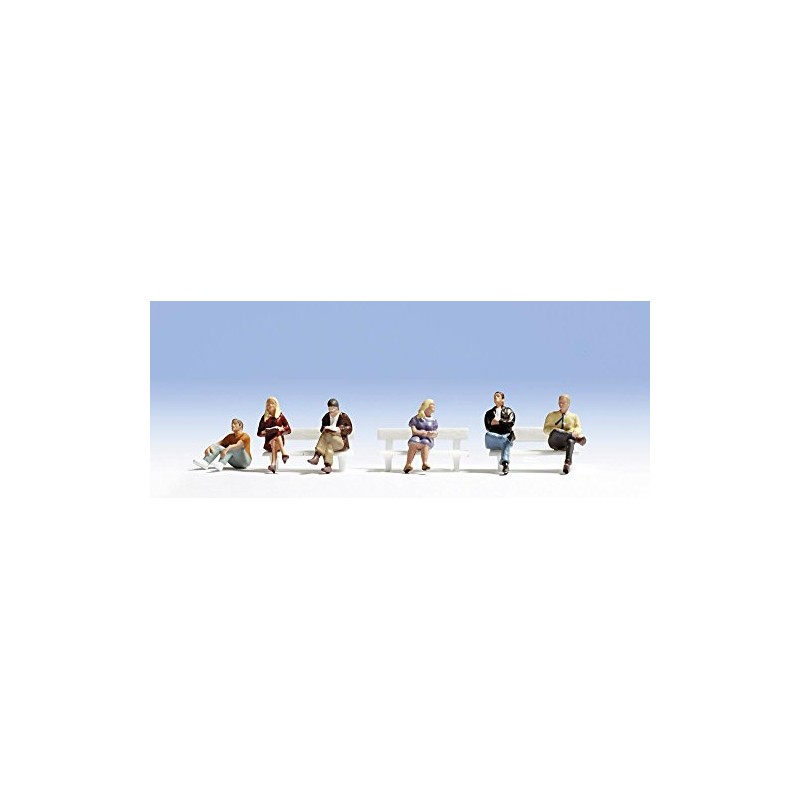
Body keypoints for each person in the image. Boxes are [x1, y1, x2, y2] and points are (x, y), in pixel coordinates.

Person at [543, 394, 587, 474]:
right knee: (555, 431)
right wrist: (554, 430)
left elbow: (579, 427)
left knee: (571, 441)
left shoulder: (574, 417)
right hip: (554, 442)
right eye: (559, 402)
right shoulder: (551, 415)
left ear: (568, 404)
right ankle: (576, 439)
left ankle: (567, 464)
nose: (561, 404)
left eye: (563, 402)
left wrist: (576, 431)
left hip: (565, 444)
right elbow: (545, 429)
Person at [307, 398, 353, 474]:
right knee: (328, 446)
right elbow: (322, 428)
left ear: (337, 408)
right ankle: (328, 466)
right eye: (329, 408)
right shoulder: (326, 417)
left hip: (340, 442)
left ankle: (317, 455)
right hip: (329, 441)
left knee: (326, 435)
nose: (331, 410)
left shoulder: (343, 416)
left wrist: (340, 429)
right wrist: (325, 428)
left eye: (333, 408)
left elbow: (350, 428)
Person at [257, 396, 292, 474]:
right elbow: (258, 433)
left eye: (272, 403)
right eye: (268, 404)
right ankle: (284, 453)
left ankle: (273, 464)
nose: (270, 405)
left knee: (276, 434)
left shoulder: (280, 416)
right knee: (274, 440)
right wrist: (264, 432)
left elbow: (288, 429)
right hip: (268, 444)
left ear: (276, 405)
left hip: (280, 443)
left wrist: (281, 428)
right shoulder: (264, 417)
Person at [403, 399, 439, 473]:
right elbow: (414, 431)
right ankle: (408, 464)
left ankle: (424, 463)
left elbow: (435, 432)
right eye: (432, 404)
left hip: (428, 439)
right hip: (416, 437)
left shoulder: (433, 421)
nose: (434, 406)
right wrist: (422, 433)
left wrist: (432, 434)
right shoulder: (416, 418)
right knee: (413, 443)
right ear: (426, 406)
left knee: (425, 443)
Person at [484, 391, 515, 475]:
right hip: (493, 439)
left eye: (497, 396)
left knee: (506, 440)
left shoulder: (509, 411)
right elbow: (488, 427)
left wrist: (499, 422)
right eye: (494, 396)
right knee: (489, 435)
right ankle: (504, 439)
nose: (495, 397)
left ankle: (505, 464)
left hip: (506, 437)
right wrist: (503, 425)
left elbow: (511, 423)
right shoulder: (489, 413)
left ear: (503, 399)